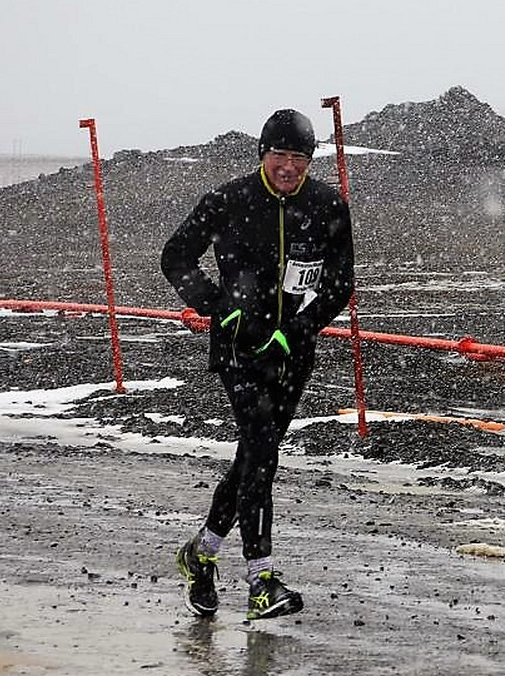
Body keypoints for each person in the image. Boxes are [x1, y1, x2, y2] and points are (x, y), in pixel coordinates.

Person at [161, 109, 354, 620]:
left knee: (253, 456)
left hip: (291, 354)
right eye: (280, 156)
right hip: (239, 351)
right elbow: (175, 257)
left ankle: (199, 555)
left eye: (299, 158)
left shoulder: (327, 205)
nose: (289, 167)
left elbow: (341, 283)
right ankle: (261, 580)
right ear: (262, 154)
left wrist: (298, 330)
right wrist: (218, 307)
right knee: (263, 453)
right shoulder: (229, 200)